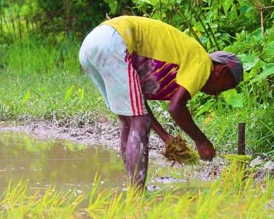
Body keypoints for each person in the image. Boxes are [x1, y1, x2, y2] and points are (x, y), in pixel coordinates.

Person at [79, 15, 243, 189]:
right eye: (224, 87)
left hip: (92, 44)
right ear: (221, 71)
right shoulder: (203, 62)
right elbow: (175, 107)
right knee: (137, 122)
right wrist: (201, 141)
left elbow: (140, 108)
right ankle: (137, 193)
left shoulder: (186, 59)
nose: (217, 94)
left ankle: (133, 188)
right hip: (115, 41)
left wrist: (166, 138)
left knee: (129, 121)